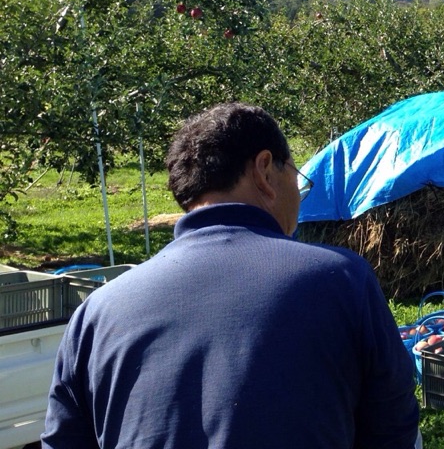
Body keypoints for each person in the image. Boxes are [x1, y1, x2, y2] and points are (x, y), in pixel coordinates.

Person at [42, 102, 421, 449]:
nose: (298, 192)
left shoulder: (97, 313)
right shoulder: (341, 280)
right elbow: (393, 431)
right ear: (264, 170)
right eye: (296, 175)